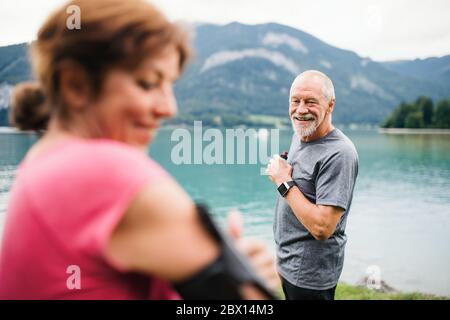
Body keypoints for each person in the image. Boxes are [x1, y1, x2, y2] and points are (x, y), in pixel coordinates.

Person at [0, 0, 278, 299]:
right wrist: (246, 281)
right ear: (76, 85)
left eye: (169, 85)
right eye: (148, 83)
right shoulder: (103, 170)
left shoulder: (42, 161)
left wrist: (227, 268)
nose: (169, 108)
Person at [266, 70, 359, 300]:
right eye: (295, 101)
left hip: (310, 275)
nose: (300, 110)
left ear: (330, 105)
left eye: (310, 102)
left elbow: (322, 228)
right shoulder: (301, 133)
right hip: (287, 262)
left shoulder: (340, 154)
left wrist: (283, 182)